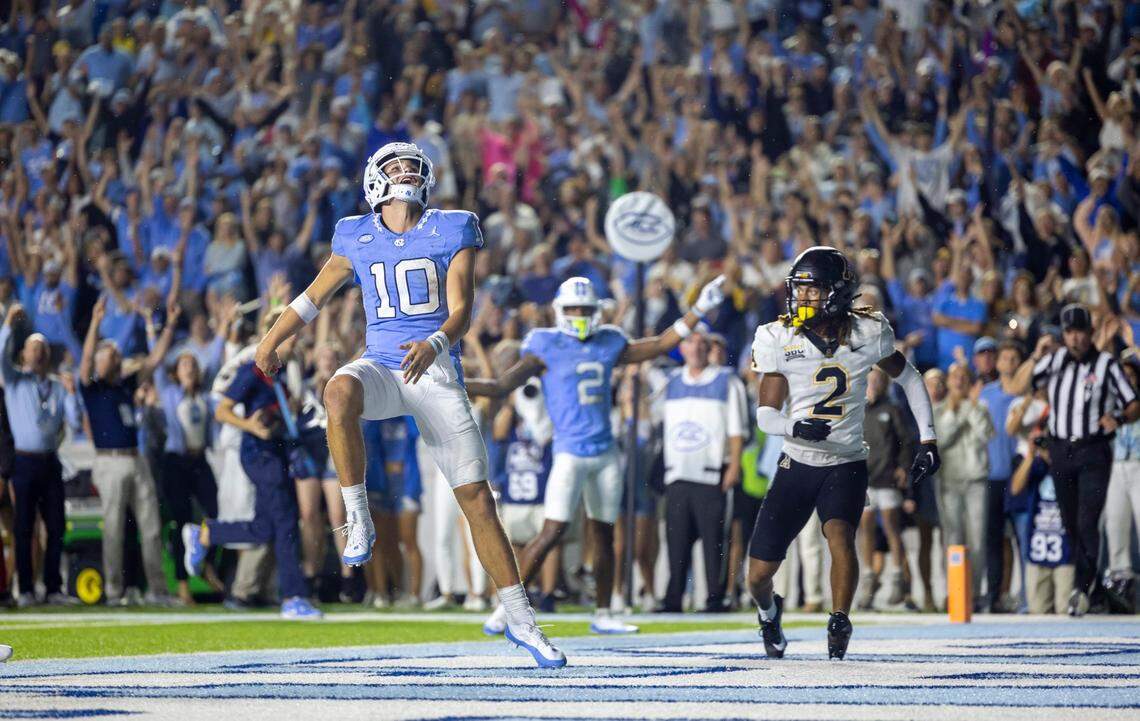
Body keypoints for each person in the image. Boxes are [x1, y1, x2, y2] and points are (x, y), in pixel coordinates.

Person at [248, 142, 564, 667]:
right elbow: (311, 297)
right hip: (381, 365)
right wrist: (271, 341)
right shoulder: (354, 233)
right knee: (338, 390)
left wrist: (435, 343)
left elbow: (461, 309)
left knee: (479, 503)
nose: (408, 172)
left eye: (413, 165)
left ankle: (522, 620)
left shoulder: (454, 226)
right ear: (374, 180)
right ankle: (358, 515)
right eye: (396, 166)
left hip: (435, 367)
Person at [466, 272, 726, 636]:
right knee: (552, 531)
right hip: (569, 453)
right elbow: (499, 386)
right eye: (572, 308)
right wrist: (455, 381)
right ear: (559, 310)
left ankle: (604, 611)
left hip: (605, 453)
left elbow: (659, 344)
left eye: (584, 308)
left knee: (605, 535)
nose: (578, 314)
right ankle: (506, 607)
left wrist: (698, 309)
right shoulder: (546, 345)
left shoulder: (608, 342)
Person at [749, 247, 941, 660]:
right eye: (799, 290)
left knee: (840, 535)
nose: (802, 299)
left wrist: (928, 439)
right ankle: (769, 613)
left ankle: (840, 618)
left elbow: (908, 377)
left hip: (847, 459)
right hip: (796, 460)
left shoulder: (867, 333)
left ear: (835, 293)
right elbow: (765, 414)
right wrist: (793, 426)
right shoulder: (779, 338)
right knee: (757, 576)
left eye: (812, 290)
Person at [182, 313, 323, 620]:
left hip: (275, 450)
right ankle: (293, 596)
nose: (296, 338)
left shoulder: (283, 372)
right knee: (286, 520)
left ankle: (207, 534)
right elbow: (221, 411)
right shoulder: (253, 370)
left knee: (266, 528)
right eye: (290, 333)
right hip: (258, 452)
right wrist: (250, 426)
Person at [1012, 303, 1140, 615]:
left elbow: (1134, 402)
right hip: (1061, 451)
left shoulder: (1106, 365)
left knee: (1086, 519)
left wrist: (1119, 420)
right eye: (1069, 332)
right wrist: (1036, 354)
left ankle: (1081, 590)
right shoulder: (1054, 360)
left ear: (1090, 333)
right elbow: (1018, 386)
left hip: (1093, 450)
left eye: (1079, 332)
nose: (1074, 338)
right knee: (1071, 523)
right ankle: (1092, 588)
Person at [77, 295, 177, 606]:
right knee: (113, 530)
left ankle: (158, 590)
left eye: (117, 355)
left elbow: (154, 360)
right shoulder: (92, 389)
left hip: (136, 458)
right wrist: (95, 322)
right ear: (99, 361)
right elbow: (84, 362)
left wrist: (170, 326)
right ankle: (114, 591)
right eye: (110, 355)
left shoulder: (124, 385)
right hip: (110, 461)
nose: (116, 358)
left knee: (150, 528)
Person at [659, 328, 747, 613]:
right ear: (682, 349)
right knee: (676, 540)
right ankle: (673, 597)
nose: (695, 349)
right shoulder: (672, 381)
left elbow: (736, 429)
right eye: (689, 343)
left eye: (700, 344)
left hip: (712, 472)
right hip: (678, 471)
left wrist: (734, 464)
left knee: (713, 541)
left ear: (708, 349)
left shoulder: (726, 380)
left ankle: (714, 596)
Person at [0, 304, 83, 606]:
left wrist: (73, 394)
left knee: (56, 526)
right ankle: (25, 589)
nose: (38, 353)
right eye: (33, 348)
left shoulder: (60, 387)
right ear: (22, 355)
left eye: (42, 348)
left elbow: (74, 422)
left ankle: (52, 588)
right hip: (24, 461)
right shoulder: (14, 382)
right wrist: (8, 324)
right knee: (23, 527)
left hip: (50, 461)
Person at [933, 361, 994, 605]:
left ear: (969, 383)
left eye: (963, 377)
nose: (958, 381)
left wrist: (972, 407)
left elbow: (986, 434)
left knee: (977, 538)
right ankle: (955, 592)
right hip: (949, 481)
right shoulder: (938, 411)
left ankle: (975, 593)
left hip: (976, 480)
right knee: (952, 538)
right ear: (948, 382)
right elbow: (941, 442)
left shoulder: (980, 407)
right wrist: (957, 415)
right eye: (954, 376)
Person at [856, 367, 914, 610]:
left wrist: (902, 466)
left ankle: (898, 576)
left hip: (887, 478)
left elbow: (906, 441)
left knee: (892, 528)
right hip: (865, 478)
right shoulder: (857, 409)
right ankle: (869, 576)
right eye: (871, 379)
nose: (874, 383)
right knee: (865, 528)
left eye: (879, 379)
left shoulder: (892, 409)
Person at [978, 340, 1025, 613]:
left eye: (1014, 358)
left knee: (1021, 539)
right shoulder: (985, 392)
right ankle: (994, 596)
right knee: (993, 540)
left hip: (1019, 474)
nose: (1010, 362)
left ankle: (1024, 596)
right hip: (993, 475)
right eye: (1005, 357)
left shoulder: (1025, 394)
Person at [1010, 431, 1075, 614]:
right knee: (1037, 611)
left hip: (1065, 550)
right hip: (1038, 550)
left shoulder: (1070, 463)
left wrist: (1056, 456)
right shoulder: (1037, 466)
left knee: (1065, 609)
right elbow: (1015, 488)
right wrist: (1030, 456)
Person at [1104, 350, 1140, 606]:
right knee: (1115, 523)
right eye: (1122, 376)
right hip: (1116, 465)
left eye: (1130, 375)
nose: (1126, 380)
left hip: (1139, 464)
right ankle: (1120, 582)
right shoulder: (1110, 402)